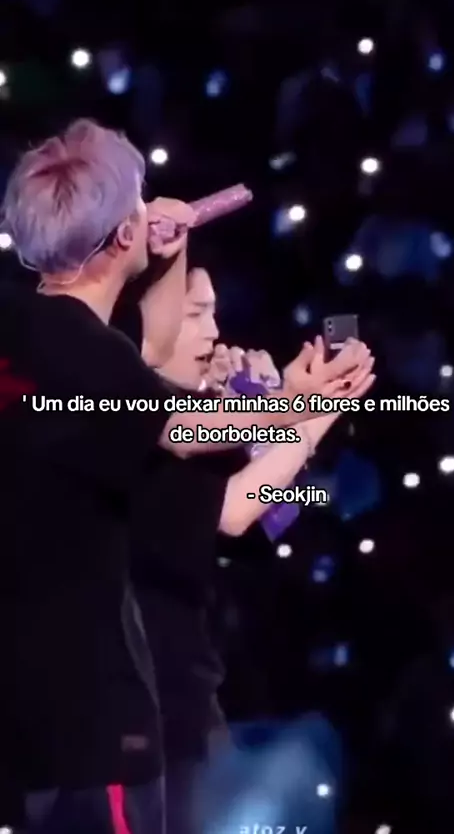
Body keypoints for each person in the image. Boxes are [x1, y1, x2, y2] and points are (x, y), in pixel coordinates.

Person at [0, 118, 373, 832]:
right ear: (122, 235)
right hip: (91, 724)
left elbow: (150, 360)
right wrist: (302, 404)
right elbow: (185, 428)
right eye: (140, 203)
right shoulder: (92, 360)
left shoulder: (31, 332)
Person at [113, 266, 375, 834]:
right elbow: (234, 511)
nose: (214, 332)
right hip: (139, 704)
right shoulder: (126, 420)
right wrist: (307, 409)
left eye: (213, 312)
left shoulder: (189, 418)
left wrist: (274, 407)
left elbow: (272, 519)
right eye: (194, 314)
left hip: (185, 690)